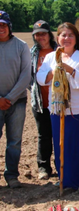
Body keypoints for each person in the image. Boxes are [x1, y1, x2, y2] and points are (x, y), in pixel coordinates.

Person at [37, 22, 79, 190]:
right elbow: (41, 78)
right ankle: (65, 178)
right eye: (63, 35)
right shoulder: (50, 57)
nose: (66, 38)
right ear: (58, 38)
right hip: (57, 109)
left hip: (78, 109)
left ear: (76, 38)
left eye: (70, 35)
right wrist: (54, 71)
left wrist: (70, 70)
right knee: (62, 144)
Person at [0, 11, 31, 188]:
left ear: (9, 26)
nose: (1, 28)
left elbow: (26, 74)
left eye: (4, 25)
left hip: (17, 102)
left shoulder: (21, 46)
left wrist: (9, 98)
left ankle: (11, 175)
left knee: (14, 141)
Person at [29, 20, 58, 180]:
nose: (41, 37)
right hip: (40, 102)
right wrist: (35, 92)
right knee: (44, 135)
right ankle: (44, 167)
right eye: (37, 34)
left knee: (59, 134)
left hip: (58, 101)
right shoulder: (32, 53)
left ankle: (61, 165)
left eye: (43, 33)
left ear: (49, 34)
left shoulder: (59, 51)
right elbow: (29, 77)